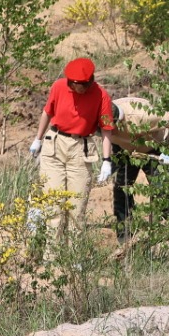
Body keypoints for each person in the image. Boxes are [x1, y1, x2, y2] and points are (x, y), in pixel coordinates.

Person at [30, 58, 114, 247]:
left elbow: (106, 129)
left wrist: (107, 160)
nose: (79, 89)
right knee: (54, 205)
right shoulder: (59, 87)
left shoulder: (101, 96)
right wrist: (38, 139)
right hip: (55, 145)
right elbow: (47, 112)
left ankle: (74, 258)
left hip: (80, 148)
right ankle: (51, 259)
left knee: (77, 208)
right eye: (75, 84)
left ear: (90, 81)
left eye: (83, 85)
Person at [99, 97, 169, 243]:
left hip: (155, 145)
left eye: (111, 130)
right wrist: (105, 163)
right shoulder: (99, 119)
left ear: (118, 121)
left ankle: (168, 227)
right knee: (121, 188)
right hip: (125, 148)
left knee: (159, 188)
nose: (108, 133)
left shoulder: (142, 116)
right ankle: (124, 232)